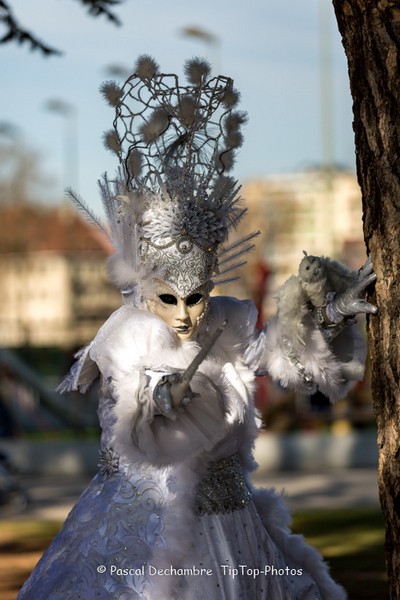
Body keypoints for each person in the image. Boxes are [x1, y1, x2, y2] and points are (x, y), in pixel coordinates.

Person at [17, 55, 377, 600]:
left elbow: (283, 361)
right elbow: (134, 413)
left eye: (196, 298)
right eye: (169, 299)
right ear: (144, 288)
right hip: (150, 540)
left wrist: (326, 315)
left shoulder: (228, 322)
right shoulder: (126, 335)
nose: (185, 315)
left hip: (235, 530)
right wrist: (166, 396)